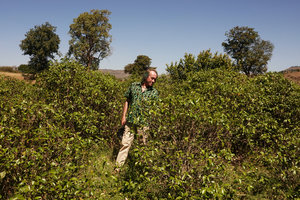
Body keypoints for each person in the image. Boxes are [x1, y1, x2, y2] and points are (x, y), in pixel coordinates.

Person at [115, 69, 159, 168]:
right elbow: (127, 101)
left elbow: (155, 109)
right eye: (152, 78)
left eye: (155, 79)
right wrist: (123, 116)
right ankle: (117, 168)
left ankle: (140, 169)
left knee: (142, 147)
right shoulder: (134, 86)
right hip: (130, 122)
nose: (153, 81)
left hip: (143, 124)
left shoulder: (154, 92)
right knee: (125, 145)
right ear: (146, 76)